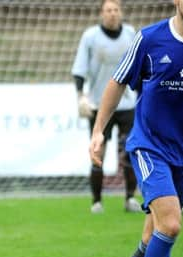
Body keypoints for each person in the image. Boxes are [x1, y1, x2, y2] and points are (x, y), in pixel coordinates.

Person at [91, 0, 183, 257]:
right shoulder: (149, 39)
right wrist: (98, 131)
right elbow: (116, 82)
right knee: (171, 225)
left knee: (153, 238)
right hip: (149, 147)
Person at [72, 0, 142, 214]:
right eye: (108, 10)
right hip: (99, 105)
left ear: (121, 13)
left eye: (116, 10)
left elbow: (140, 65)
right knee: (98, 152)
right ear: (102, 14)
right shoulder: (90, 36)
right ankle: (96, 201)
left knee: (131, 151)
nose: (112, 14)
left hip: (127, 104)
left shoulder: (131, 33)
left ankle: (130, 198)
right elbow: (80, 69)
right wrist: (81, 96)